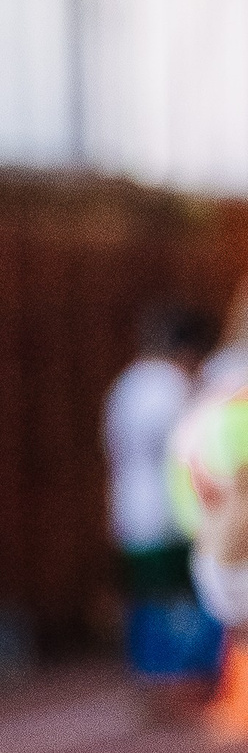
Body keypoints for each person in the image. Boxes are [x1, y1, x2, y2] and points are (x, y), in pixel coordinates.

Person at [105, 304, 223, 712]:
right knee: (182, 598)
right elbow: (191, 447)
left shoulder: (126, 383)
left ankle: (152, 681)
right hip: (168, 511)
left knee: (148, 598)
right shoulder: (170, 386)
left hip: (130, 507)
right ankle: (182, 684)